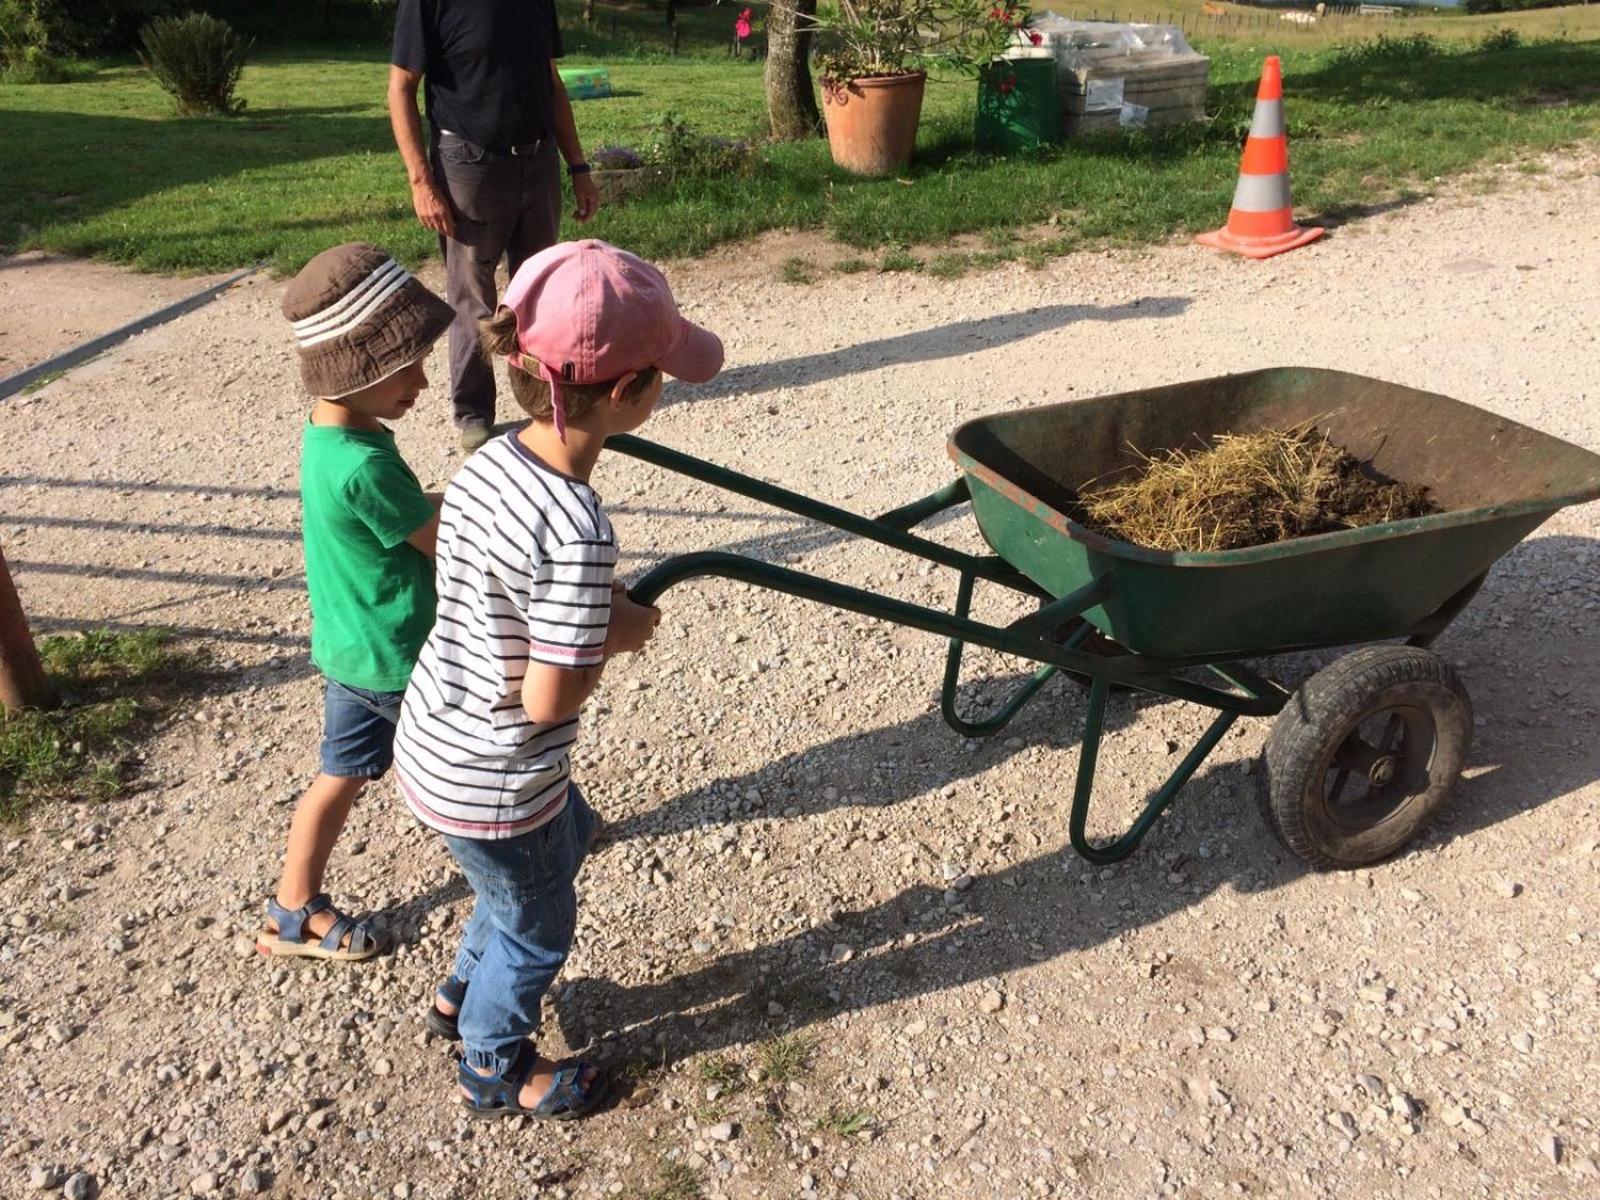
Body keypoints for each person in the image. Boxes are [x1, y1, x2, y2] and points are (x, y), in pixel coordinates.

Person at [391, 240, 724, 1119]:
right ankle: (494, 1063)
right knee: (539, 926)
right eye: (661, 375)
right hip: (500, 774)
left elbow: (503, 580)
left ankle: (460, 992)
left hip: (434, 738)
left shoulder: (492, 458)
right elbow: (550, 696)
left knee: (557, 845)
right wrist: (623, 632)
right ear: (624, 395)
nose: (664, 388)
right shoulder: (577, 525)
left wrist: (591, 609)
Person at [257, 243, 454, 962]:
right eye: (407, 370)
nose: (424, 384)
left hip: (351, 652)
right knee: (481, 753)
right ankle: (536, 844)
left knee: (337, 777)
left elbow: (406, 516)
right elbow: (444, 541)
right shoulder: (365, 465)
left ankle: (292, 907)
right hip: (401, 657)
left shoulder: (331, 439)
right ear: (359, 371)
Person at [387, 0, 602, 454]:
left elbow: (551, 81)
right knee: (473, 297)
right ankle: (474, 414)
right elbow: (401, 87)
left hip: (538, 159)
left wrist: (578, 165)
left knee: (539, 291)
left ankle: (543, 399)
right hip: (469, 163)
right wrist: (421, 181)